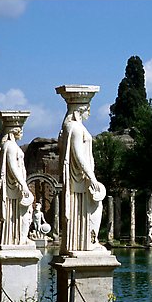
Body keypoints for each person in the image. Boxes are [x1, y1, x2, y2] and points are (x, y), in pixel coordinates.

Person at [58, 97, 106, 253]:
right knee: (96, 207)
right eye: (88, 110)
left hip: (80, 178)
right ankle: (89, 241)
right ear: (80, 111)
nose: (89, 114)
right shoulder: (76, 128)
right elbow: (78, 155)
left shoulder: (68, 126)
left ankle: (85, 240)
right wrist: (92, 177)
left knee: (92, 207)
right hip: (82, 179)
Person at [0, 119, 34, 246]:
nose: (22, 132)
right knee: (25, 213)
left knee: (26, 212)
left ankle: (20, 237)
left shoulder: (10, 146)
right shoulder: (11, 146)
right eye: (20, 129)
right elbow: (13, 167)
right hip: (15, 186)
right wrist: (24, 185)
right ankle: (20, 239)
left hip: (17, 185)